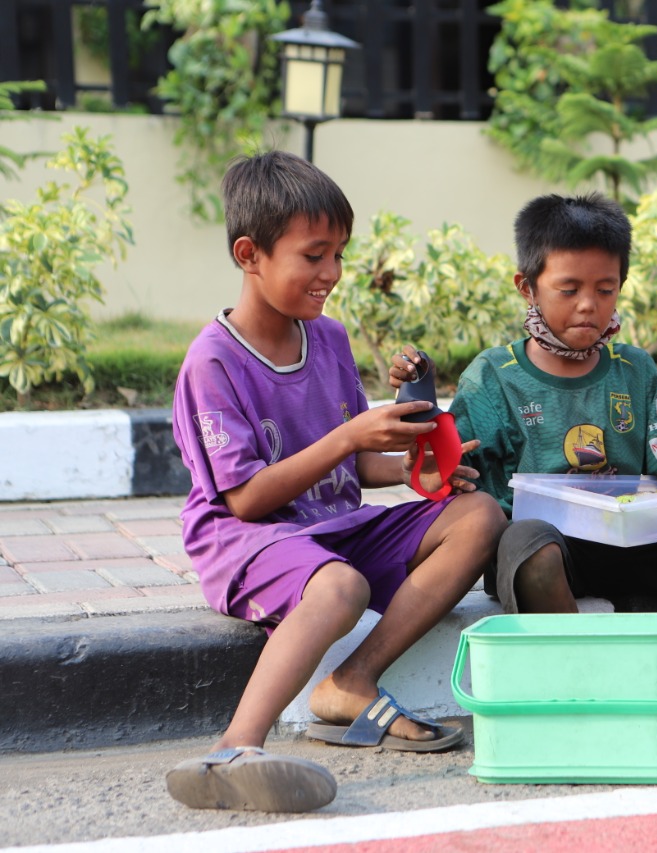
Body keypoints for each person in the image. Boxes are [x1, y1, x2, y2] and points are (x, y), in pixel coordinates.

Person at [165, 151, 506, 813]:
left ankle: (353, 678)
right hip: (247, 537)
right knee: (341, 585)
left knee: (481, 515)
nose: (331, 274)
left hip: (331, 530)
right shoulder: (212, 360)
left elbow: (353, 465)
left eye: (339, 256)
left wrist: (413, 468)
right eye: (314, 256)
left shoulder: (328, 338)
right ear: (250, 254)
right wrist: (351, 438)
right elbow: (247, 497)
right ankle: (234, 748)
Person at [389, 192, 657, 631]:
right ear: (526, 287)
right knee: (529, 545)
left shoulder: (635, 368)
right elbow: (457, 475)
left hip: (636, 538)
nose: (588, 304)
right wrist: (434, 461)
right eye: (568, 290)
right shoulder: (494, 376)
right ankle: (583, 660)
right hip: (550, 547)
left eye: (605, 289)